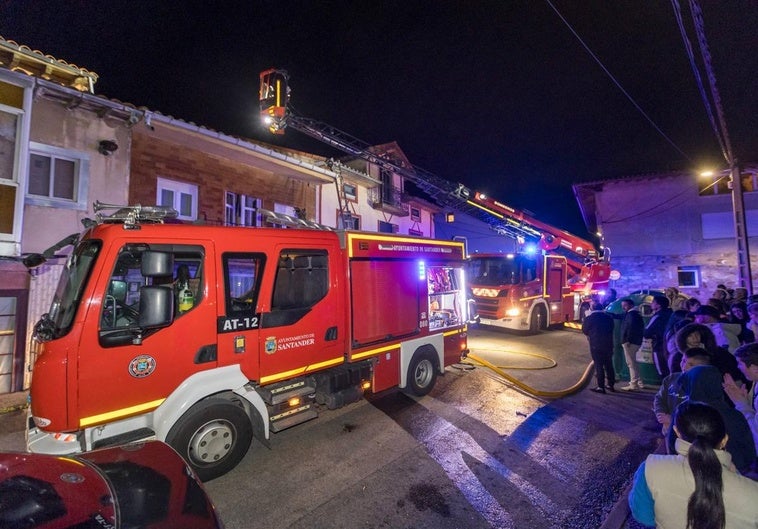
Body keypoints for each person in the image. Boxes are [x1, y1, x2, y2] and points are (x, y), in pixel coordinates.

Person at [629, 401, 758, 529]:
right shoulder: (753, 495)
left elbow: (643, 516)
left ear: (677, 432)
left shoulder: (650, 469)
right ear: (724, 440)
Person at [669, 365, 756, 473]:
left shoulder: (684, 413)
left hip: (690, 471)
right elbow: (749, 452)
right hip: (735, 473)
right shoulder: (734, 414)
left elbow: (672, 446)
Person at [652, 347, 711, 448]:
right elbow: (660, 398)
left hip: (691, 437)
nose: (685, 366)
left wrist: (673, 421)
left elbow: (700, 415)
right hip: (668, 429)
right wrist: (661, 414)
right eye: (683, 361)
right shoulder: (671, 379)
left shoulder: (703, 386)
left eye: (691, 365)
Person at [723, 343, 758, 458]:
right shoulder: (755, 384)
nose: (738, 367)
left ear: (754, 368)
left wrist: (741, 404)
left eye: (740, 363)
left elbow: (756, 432)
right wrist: (746, 401)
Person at [582, 302, 616, 394]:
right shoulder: (608, 318)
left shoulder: (589, 318)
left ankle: (601, 387)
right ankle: (611, 385)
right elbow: (612, 328)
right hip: (608, 344)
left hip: (596, 345)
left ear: (592, 308)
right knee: (609, 365)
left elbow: (585, 330)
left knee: (599, 365)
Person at [619, 297, 645, 391]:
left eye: (625, 305)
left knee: (631, 363)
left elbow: (631, 328)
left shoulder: (632, 315)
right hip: (634, 341)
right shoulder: (633, 313)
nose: (623, 308)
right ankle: (640, 382)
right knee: (633, 362)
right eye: (622, 306)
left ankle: (633, 384)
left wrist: (627, 340)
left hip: (630, 342)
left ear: (631, 305)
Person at [644, 295, 672, 378]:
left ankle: (665, 389)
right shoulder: (671, 314)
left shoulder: (657, 316)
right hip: (671, 346)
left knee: (662, 370)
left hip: (659, 345)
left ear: (659, 305)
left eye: (653, 302)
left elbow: (647, 332)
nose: (651, 304)